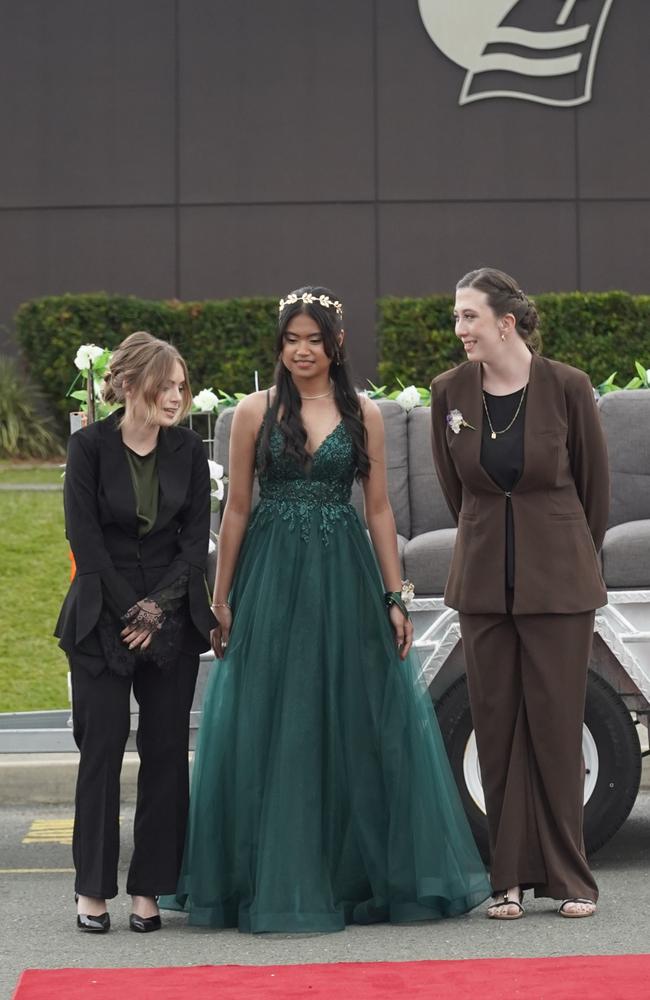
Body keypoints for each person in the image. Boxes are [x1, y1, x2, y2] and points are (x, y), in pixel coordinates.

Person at [160, 285, 490, 933]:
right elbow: (237, 510)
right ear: (279, 346)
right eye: (291, 340)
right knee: (272, 720)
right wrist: (220, 597)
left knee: (350, 719)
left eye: (314, 339)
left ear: (336, 345)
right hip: (271, 576)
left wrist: (397, 598)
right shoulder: (254, 412)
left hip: (344, 575)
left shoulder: (362, 413)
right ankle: (261, 877)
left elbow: (378, 510)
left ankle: (352, 878)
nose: (302, 351)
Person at [430, 267, 610, 920]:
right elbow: (460, 492)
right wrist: (490, 542)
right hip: (482, 586)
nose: (459, 329)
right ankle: (506, 878)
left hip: (560, 586)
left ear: (505, 322)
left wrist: (560, 555)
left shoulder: (568, 388)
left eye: (469, 317)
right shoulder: (448, 393)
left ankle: (572, 878)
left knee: (558, 731)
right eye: (456, 317)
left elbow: (594, 490)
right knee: (496, 728)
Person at [55, 331, 214, 933]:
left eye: (180, 386)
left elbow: (193, 544)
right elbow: (86, 544)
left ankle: (150, 889)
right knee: (100, 751)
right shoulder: (89, 447)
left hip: (172, 616)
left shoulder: (188, 452)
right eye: (164, 385)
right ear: (127, 386)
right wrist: (133, 611)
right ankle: (91, 891)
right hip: (101, 617)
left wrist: (160, 610)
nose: (175, 397)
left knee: (167, 753)